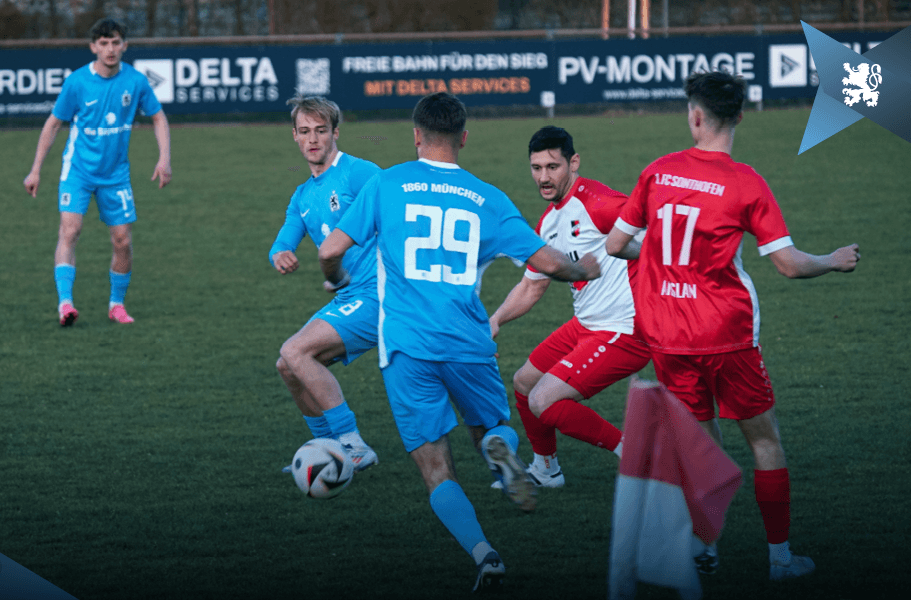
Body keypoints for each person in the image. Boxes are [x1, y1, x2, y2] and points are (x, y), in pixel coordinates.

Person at [318, 93, 602, 592]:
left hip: (407, 346)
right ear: (464, 138)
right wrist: (584, 269)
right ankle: (499, 449)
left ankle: (484, 554)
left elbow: (330, 249)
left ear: (416, 136)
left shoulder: (387, 183)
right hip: (468, 342)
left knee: (435, 467)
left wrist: (338, 276)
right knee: (490, 425)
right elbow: (550, 262)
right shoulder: (488, 198)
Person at [605, 70, 860, 581]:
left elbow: (614, 245)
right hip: (727, 335)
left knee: (699, 444)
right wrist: (832, 259)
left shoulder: (658, 172)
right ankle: (781, 558)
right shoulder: (747, 183)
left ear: (695, 117)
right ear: (740, 116)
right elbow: (787, 264)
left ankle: (706, 549)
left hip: (669, 338)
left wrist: (657, 257)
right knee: (764, 441)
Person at [489, 126, 651, 489]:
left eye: (552, 166)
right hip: (587, 325)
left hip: (625, 329)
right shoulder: (548, 222)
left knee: (544, 401)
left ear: (573, 163)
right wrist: (495, 319)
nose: (543, 177)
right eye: (536, 168)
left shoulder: (598, 203)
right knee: (525, 383)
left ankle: (635, 453)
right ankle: (546, 469)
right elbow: (532, 287)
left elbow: (654, 231)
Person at [23, 17, 171, 326]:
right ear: (93, 48)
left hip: (115, 175)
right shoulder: (77, 82)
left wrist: (164, 158)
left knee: (122, 242)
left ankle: (116, 305)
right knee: (70, 230)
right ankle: (65, 304)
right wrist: (35, 169)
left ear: (125, 46)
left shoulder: (136, 81)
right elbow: (53, 124)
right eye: (103, 43)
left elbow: (158, 117)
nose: (110, 49)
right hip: (77, 171)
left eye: (116, 42)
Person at [270, 94, 380, 472]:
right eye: (304, 132)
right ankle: (329, 448)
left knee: (296, 350)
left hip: (381, 295)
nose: (313, 139)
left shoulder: (358, 172)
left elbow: (402, 213)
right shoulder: (302, 195)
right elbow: (284, 239)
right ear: (295, 137)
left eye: (320, 130)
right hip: (350, 295)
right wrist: (279, 254)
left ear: (336, 132)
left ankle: (353, 445)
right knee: (288, 365)